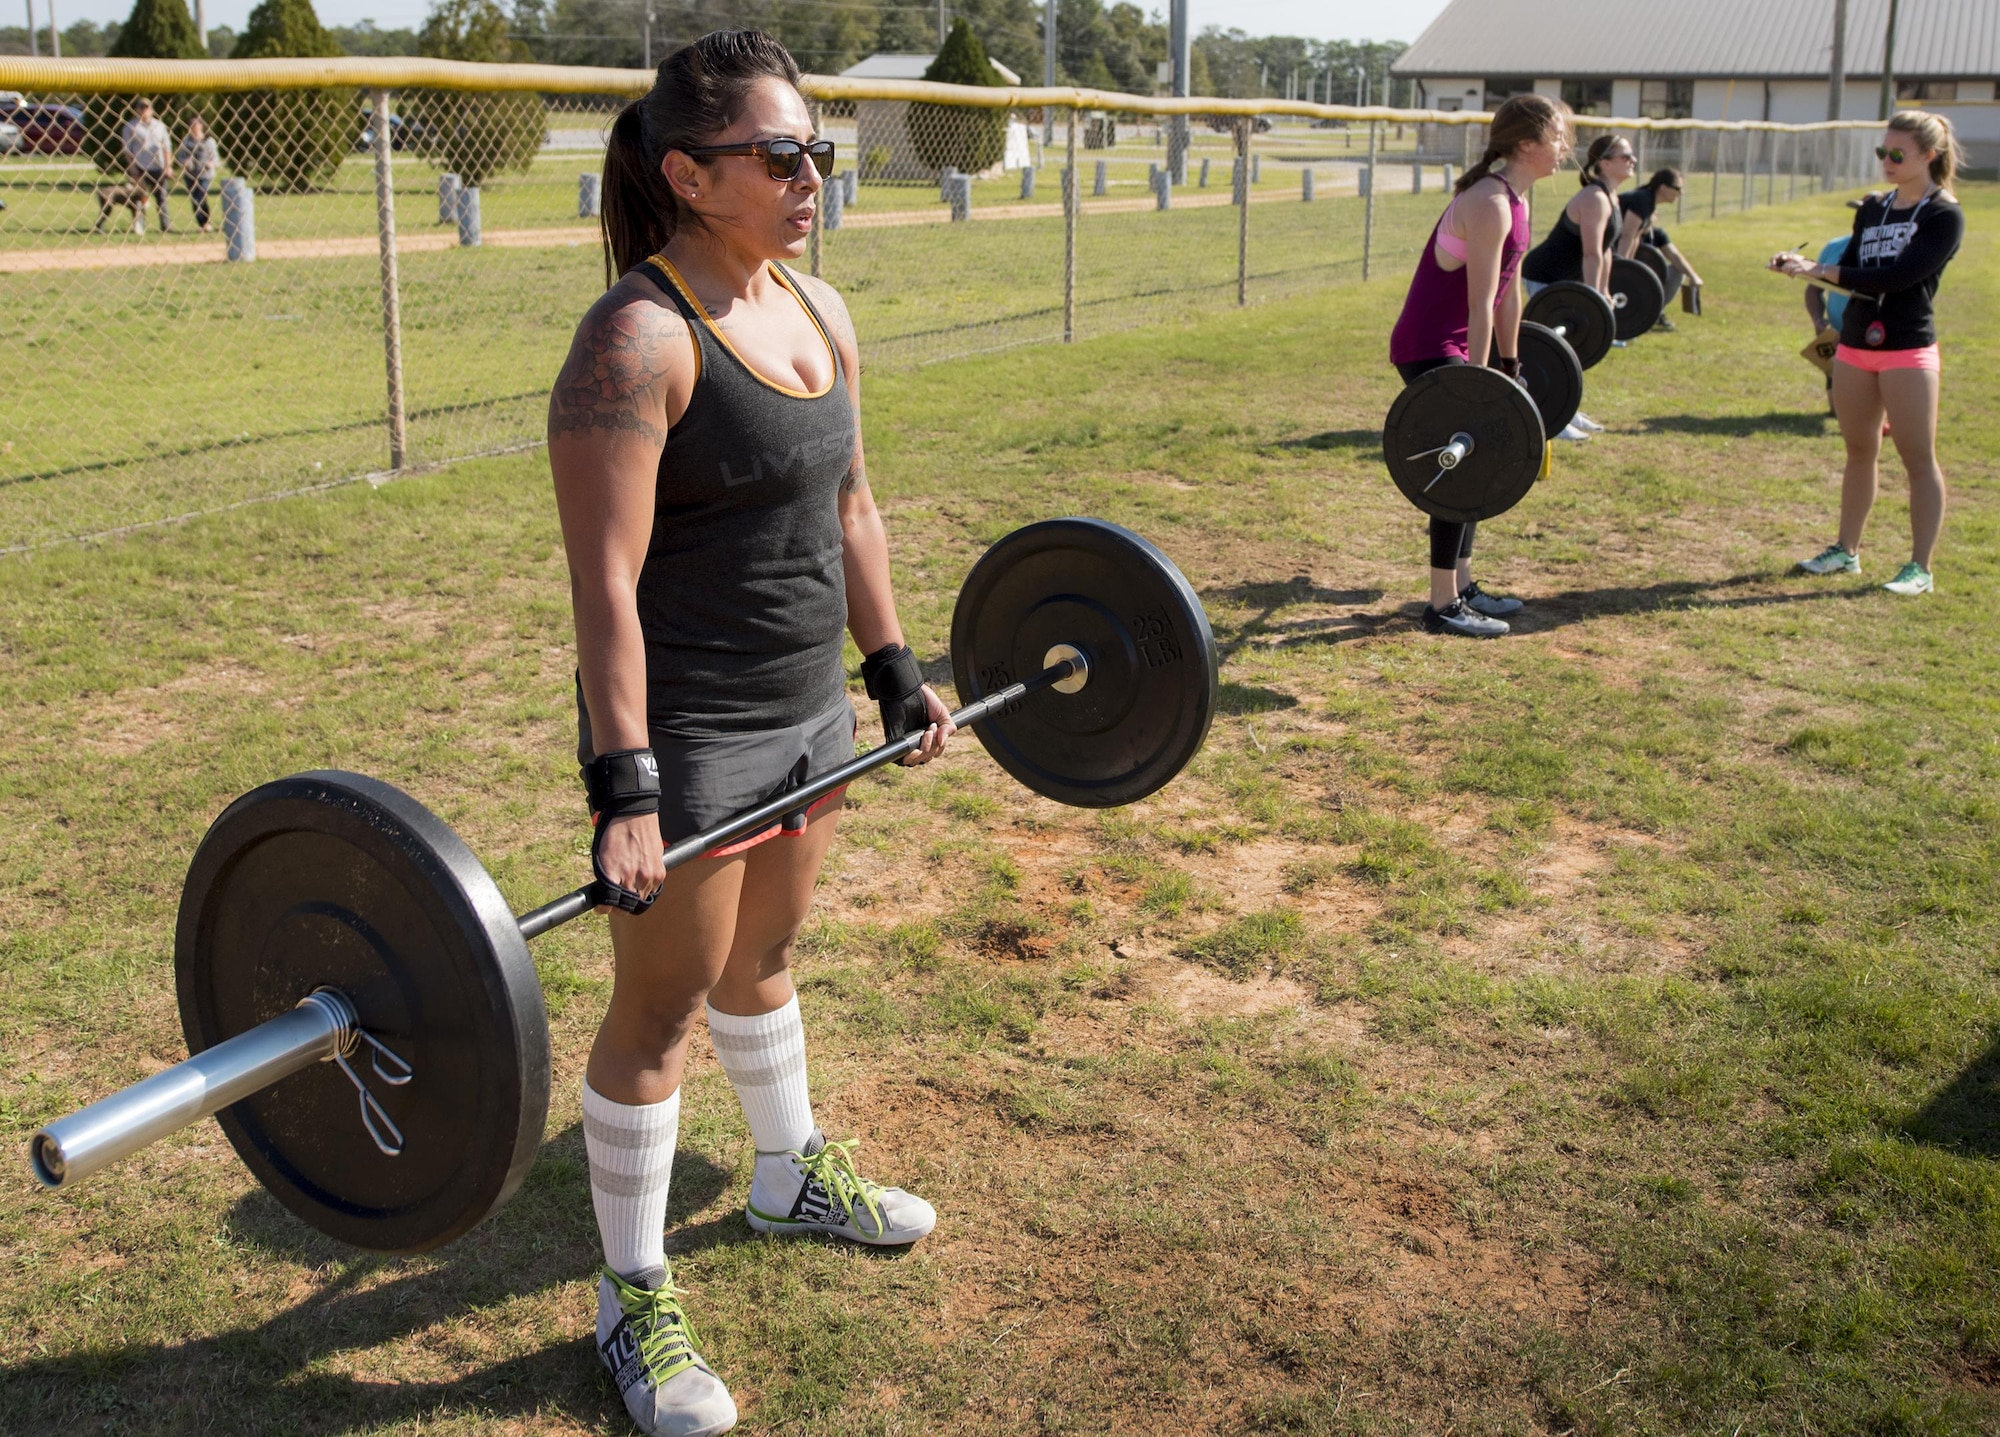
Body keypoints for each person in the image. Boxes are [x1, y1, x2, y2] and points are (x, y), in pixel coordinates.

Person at [547, 30, 953, 1437]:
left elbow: (850, 507)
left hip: (804, 707)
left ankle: (786, 1176)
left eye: (817, 153)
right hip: (695, 727)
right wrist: (627, 786)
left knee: (769, 958)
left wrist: (893, 666)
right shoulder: (639, 338)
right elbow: (603, 580)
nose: (809, 177)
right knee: (660, 1007)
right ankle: (630, 1290)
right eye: (780, 156)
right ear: (686, 172)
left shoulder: (821, 309)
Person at [1389, 93, 1571, 639]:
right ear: (1525, 144)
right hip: (1428, 345)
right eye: (1557, 137)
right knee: (1460, 465)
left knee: (1476, 453)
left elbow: (1509, 296)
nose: (1564, 148)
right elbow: (1477, 301)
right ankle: (1442, 606)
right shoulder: (1489, 202)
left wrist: (1509, 364)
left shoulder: (1518, 201)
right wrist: (1476, 378)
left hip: (1462, 346)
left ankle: (1463, 587)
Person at [1772, 110, 1964, 596]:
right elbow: (1854, 269)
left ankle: (1920, 567)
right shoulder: (1874, 206)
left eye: (1897, 154)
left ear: (1929, 157)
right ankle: (1846, 551)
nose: (1887, 161)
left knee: (1918, 457)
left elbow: (1897, 279)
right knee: (1860, 451)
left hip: (1907, 347)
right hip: (1857, 343)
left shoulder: (1944, 214)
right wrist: (1803, 269)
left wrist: (1823, 268)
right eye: (1883, 152)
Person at [1521, 132, 1637, 438]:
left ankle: (1568, 411)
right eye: (1625, 156)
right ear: (1605, 163)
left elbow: (1607, 251)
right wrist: (1594, 297)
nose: (1632, 161)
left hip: (1568, 282)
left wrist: (1604, 292)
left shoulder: (1611, 196)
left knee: (1574, 348)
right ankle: (1552, 420)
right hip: (1545, 276)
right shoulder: (1594, 198)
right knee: (1552, 350)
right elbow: (1590, 253)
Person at [1618, 167, 1705, 329]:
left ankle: (1652, 313)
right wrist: (1622, 270)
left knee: (1675, 271)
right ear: (1663, 188)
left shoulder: (1648, 207)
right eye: (1677, 189)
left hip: (1623, 265)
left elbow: (1636, 239)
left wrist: (1693, 276)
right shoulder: (1642, 200)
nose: (1680, 193)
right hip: (1602, 257)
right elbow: (1627, 236)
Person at [120, 98, 172, 233]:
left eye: (147, 107)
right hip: (140, 167)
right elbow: (127, 149)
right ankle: (139, 226)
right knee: (139, 199)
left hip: (158, 167)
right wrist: (132, 168)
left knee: (161, 197)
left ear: (152, 110)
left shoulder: (159, 126)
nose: (144, 110)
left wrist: (168, 166)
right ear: (137, 110)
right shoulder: (131, 126)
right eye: (141, 107)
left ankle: (165, 226)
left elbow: (167, 147)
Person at [176, 115, 217, 234]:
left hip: (205, 174)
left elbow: (215, 157)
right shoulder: (186, 141)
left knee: (201, 196)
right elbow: (180, 157)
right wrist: (185, 162)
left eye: (197, 124)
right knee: (195, 199)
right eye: (192, 125)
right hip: (191, 174)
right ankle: (201, 223)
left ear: (201, 126)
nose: (195, 127)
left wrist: (211, 163)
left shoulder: (208, 140)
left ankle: (207, 222)